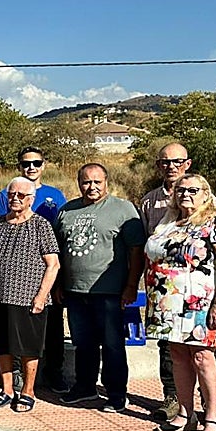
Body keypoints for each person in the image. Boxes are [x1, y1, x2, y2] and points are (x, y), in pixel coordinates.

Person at [139, 142, 216, 422]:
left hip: (199, 305)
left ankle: (213, 413)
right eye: (181, 192)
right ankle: (182, 410)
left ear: (204, 195)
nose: (185, 194)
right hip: (167, 305)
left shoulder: (215, 221)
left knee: (203, 357)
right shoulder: (164, 219)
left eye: (192, 191)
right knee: (176, 357)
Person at [55, 163, 146, 413]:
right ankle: (85, 386)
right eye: (86, 182)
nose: (91, 186)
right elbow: (59, 253)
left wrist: (130, 286)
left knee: (113, 345)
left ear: (106, 182)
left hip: (110, 291)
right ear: (78, 183)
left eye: (97, 181)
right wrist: (60, 283)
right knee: (83, 343)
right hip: (75, 292)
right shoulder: (67, 211)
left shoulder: (124, 210)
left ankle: (117, 393)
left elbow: (136, 252)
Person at [0, 176, 61, 413]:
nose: (14, 199)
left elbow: (53, 264)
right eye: (11, 194)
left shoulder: (41, 225)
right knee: (2, 346)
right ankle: (7, 390)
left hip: (28, 298)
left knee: (29, 348)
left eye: (20, 195)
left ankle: (28, 392)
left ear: (31, 199)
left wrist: (42, 296)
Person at [0, 146, 68, 392]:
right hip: (4, 289)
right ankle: (10, 384)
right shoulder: (5, 195)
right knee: (6, 337)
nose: (31, 167)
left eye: (36, 162)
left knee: (49, 331)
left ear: (44, 165)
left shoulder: (54, 196)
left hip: (41, 276)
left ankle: (52, 375)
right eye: (26, 163)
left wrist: (47, 290)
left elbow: (56, 250)